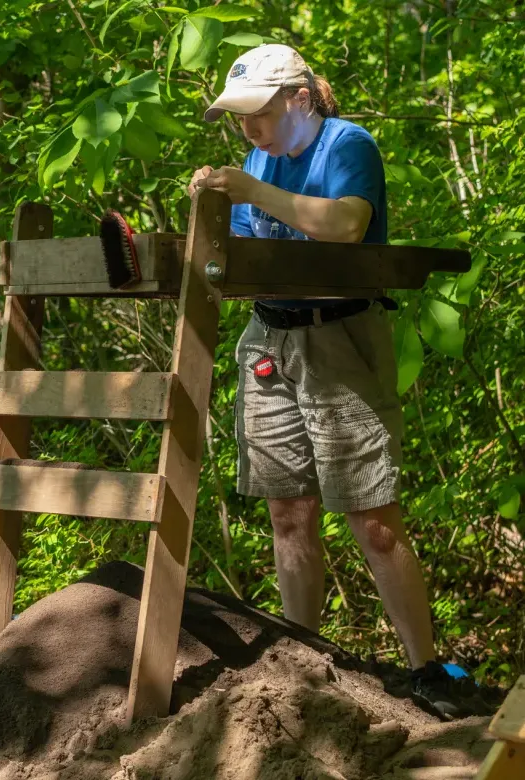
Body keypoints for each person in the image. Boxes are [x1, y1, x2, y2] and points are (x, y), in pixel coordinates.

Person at [188, 43, 479, 721]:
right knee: (287, 512)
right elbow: (237, 257)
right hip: (269, 337)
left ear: (297, 98)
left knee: (372, 519)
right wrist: (207, 212)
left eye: (255, 113)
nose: (246, 131)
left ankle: (426, 670)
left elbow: (348, 226)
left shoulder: (348, 144)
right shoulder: (256, 157)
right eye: (237, 119)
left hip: (341, 335)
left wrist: (251, 189)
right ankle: (303, 656)